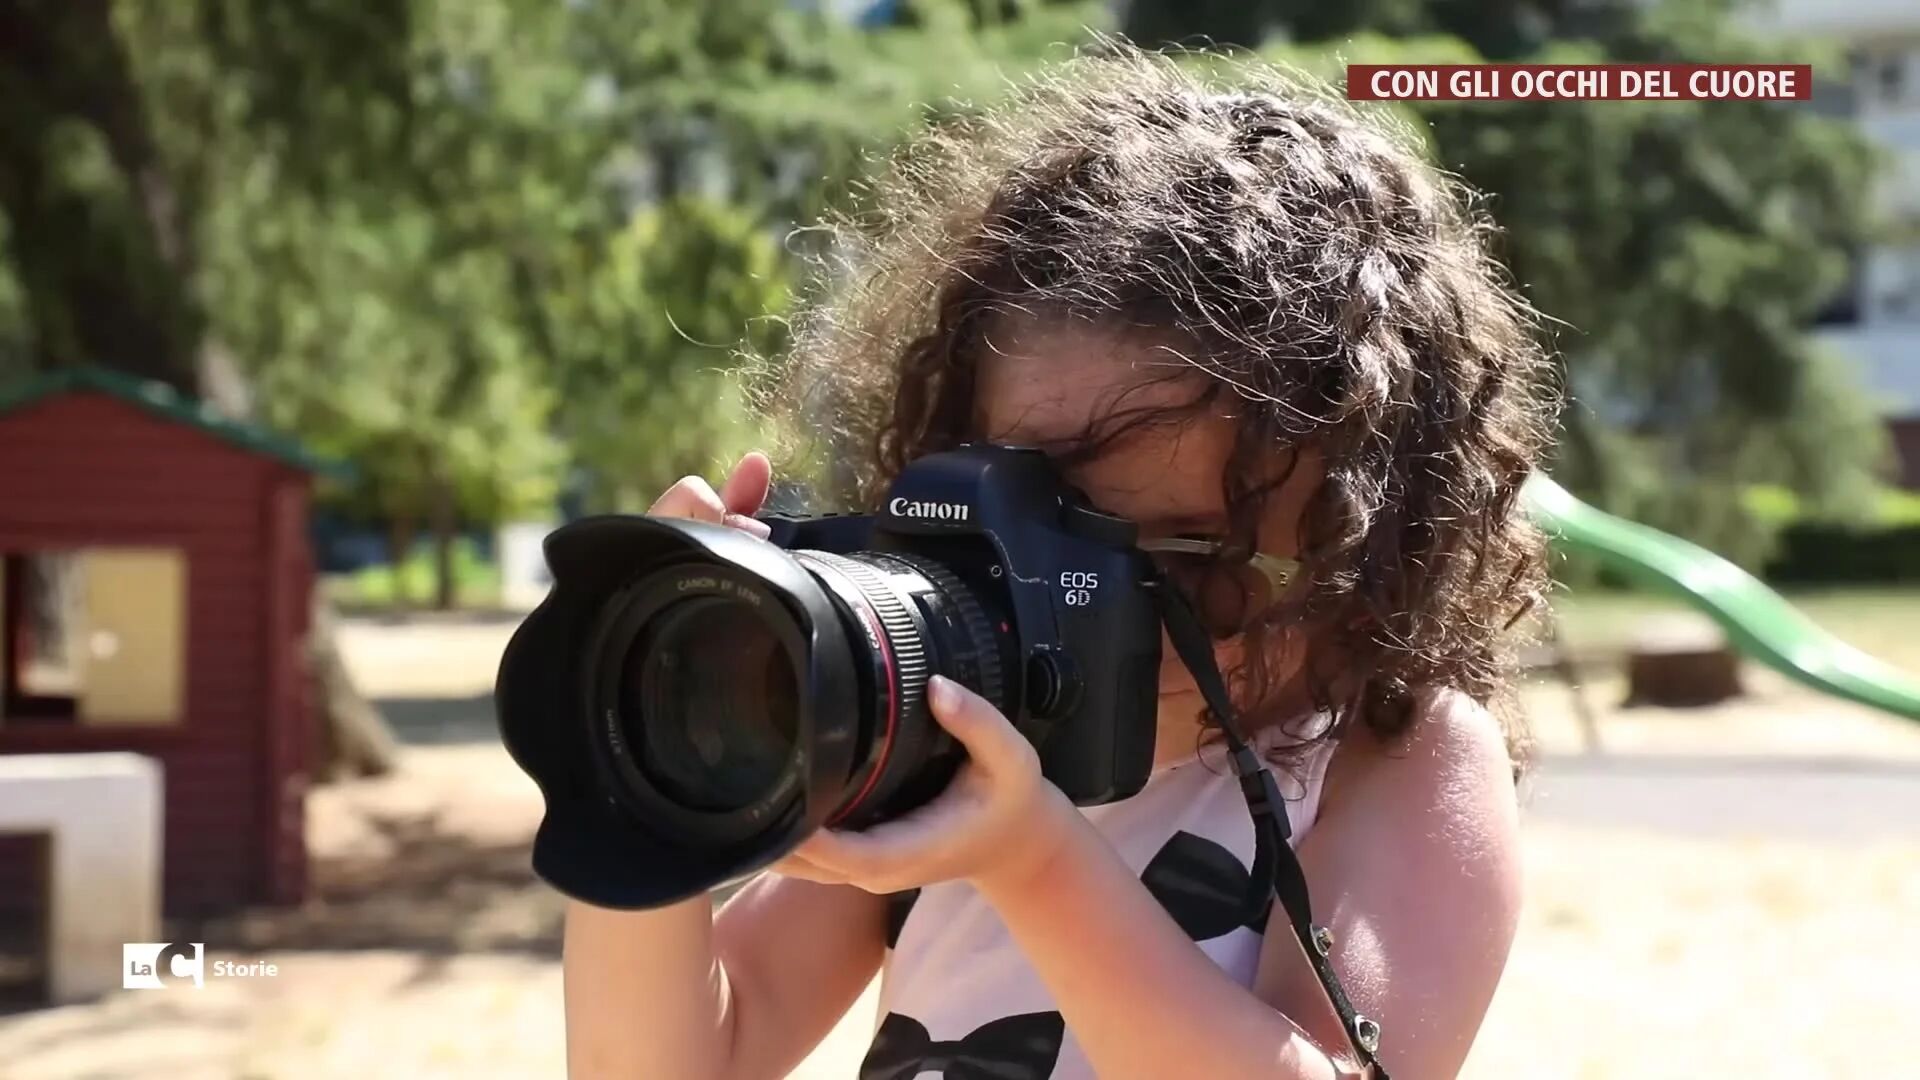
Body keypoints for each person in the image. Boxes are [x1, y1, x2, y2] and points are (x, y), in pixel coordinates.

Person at [563, 47, 1556, 1080]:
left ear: (1368, 540)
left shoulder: (1387, 757)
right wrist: (644, 779)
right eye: (1046, 530)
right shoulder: (951, 743)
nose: (1100, 600)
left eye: (1186, 555)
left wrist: (1032, 860)